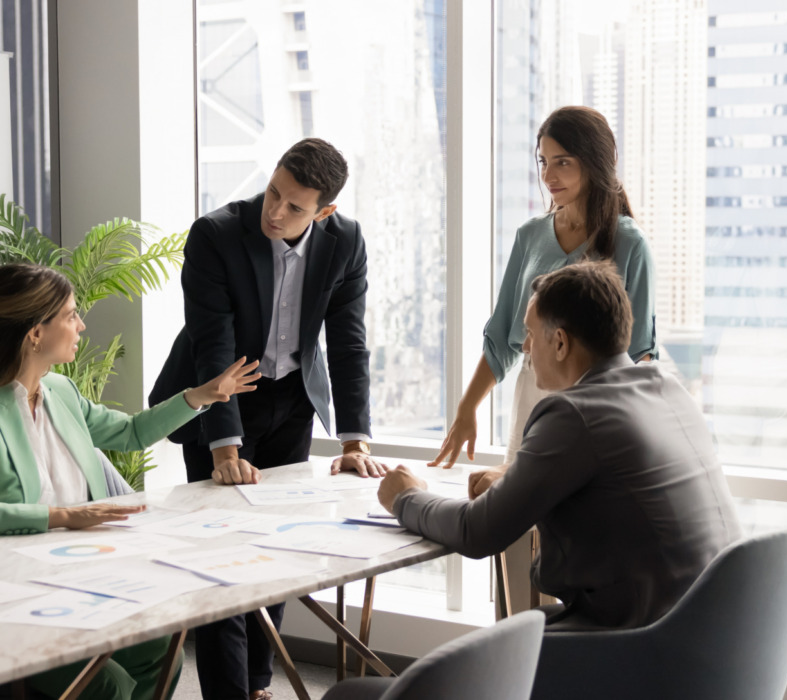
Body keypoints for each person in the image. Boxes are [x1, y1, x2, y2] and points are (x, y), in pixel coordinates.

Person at [380, 261, 742, 629]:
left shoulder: (573, 414)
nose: (525, 346)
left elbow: (478, 532)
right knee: (511, 638)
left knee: (479, 662)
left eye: (530, 334)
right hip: (714, 632)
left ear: (560, 343)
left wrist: (404, 497)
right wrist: (516, 478)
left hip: (647, 647)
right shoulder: (668, 389)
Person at [150, 137, 385, 700]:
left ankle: (258, 683)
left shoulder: (346, 241)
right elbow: (213, 342)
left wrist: (355, 440)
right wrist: (224, 447)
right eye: (273, 192)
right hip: (221, 398)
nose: (274, 212)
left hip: (293, 402)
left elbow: (348, 343)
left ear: (324, 211)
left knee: (278, 550)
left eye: (294, 206)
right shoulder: (216, 235)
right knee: (221, 560)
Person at [429, 105, 657, 614]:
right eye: (543, 162)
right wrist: (468, 409)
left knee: (570, 544)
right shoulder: (531, 236)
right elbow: (504, 335)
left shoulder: (628, 243)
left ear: (596, 165)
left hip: (596, 406)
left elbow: (639, 354)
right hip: (533, 397)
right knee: (514, 535)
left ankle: (558, 658)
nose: (549, 176)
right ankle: (514, 651)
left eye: (563, 163)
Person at [0, 262, 258, 700]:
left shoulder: (61, 391)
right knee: (110, 686)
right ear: (35, 333)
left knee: (164, 652)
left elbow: (131, 432)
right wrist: (65, 516)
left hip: (84, 566)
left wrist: (202, 395)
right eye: (70, 315)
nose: (81, 325)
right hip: (18, 589)